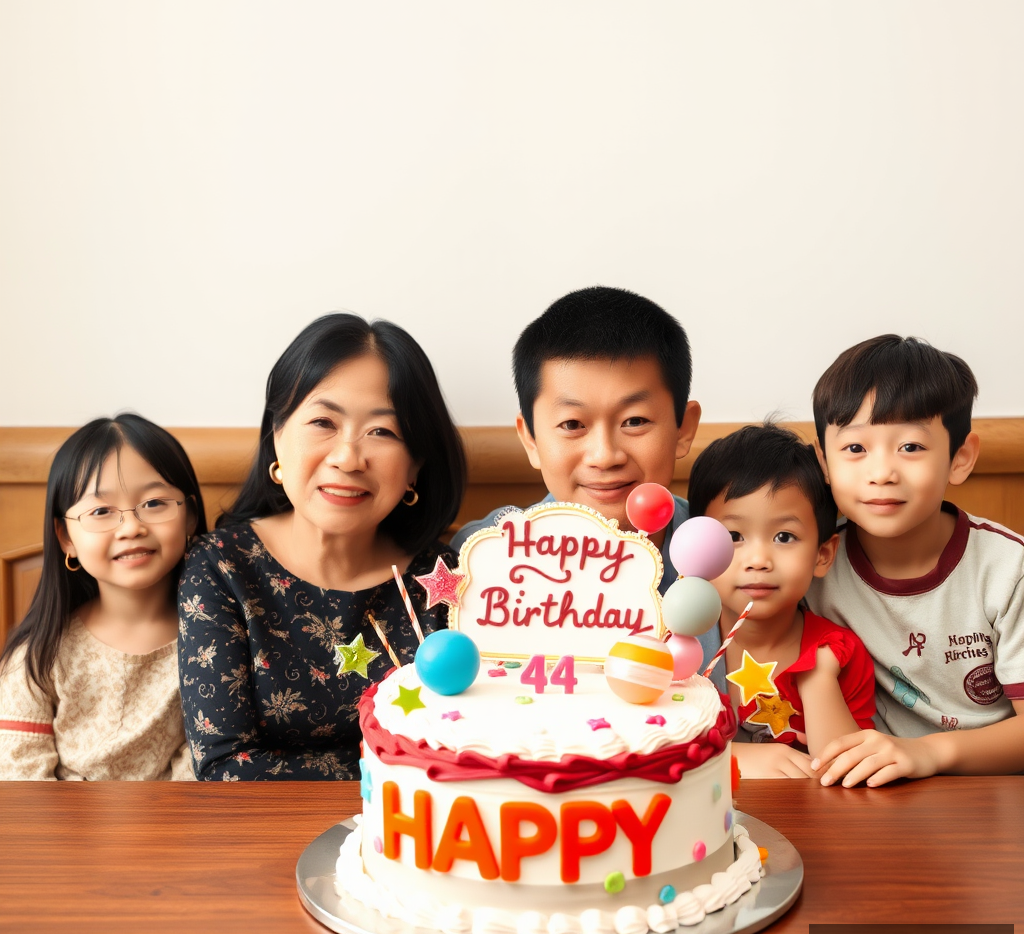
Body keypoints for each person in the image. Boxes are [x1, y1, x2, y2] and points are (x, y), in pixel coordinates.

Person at [178, 313, 466, 780]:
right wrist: (393, 772)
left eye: (382, 432)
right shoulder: (222, 566)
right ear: (277, 438)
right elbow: (223, 765)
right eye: (323, 422)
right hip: (263, 837)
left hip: (410, 837)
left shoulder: (444, 578)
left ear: (415, 466)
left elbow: (467, 744)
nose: (348, 457)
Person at [806, 334, 1024, 786]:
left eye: (910, 447)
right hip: (872, 796)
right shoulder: (814, 566)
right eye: (854, 449)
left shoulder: (1008, 570)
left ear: (959, 459)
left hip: (995, 791)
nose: (881, 473)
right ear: (824, 463)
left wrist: (927, 753)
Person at [452, 286, 702, 593]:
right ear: (530, 439)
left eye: (634, 421)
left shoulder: (732, 553)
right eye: (572, 424)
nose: (604, 456)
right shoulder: (481, 555)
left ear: (683, 429)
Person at [0, 415, 205, 780]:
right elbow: (21, 784)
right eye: (100, 511)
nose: (131, 527)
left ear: (189, 516)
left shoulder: (214, 642)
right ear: (65, 537)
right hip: (62, 834)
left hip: (176, 831)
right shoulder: (37, 656)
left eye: (154, 503)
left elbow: (203, 764)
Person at [687, 423, 875, 778]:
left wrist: (818, 678)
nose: (758, 559)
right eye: (734, 536)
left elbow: (848, 773)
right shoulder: (680, 644)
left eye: (784, 536)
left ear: (822, 555)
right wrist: (733, 759)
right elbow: (651, 750)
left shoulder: (839, 654)